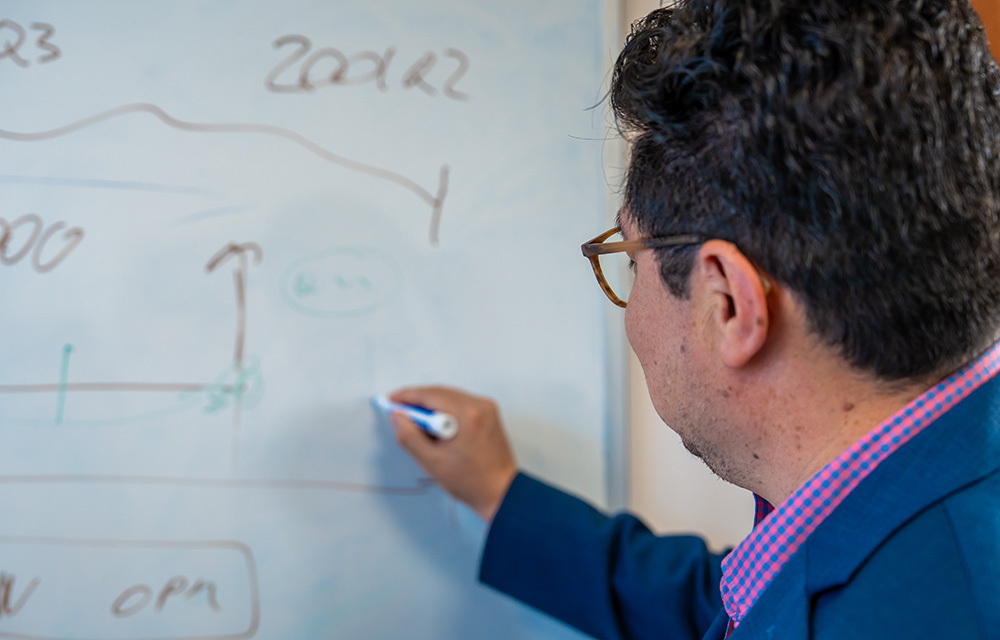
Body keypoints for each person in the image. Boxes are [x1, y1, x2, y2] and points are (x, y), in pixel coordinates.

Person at [389, 1, 1000, 638]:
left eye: (628, 260)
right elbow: (748, 605)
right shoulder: (923, 490)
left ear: (729, 303)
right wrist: (500, 495)